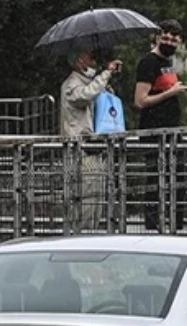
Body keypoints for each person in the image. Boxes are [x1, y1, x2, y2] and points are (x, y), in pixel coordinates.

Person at [134, 20, 187, 230]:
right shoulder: (149, 63)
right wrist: (171, 93)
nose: (169, 42)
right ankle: (153, 224)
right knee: (155, 178)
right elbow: (140, 101)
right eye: (165, 38)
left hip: (172, 130)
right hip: (154, 131)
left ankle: (176, 222)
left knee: (179, 176)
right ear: (157, 38)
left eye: (174, 39)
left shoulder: (168, 62)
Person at [60, 50, 123, 229]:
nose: (94, 61)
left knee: (96, 199)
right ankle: (82, 235)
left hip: (92, 150)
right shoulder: (71, 85)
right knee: (85, 199)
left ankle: (91, 232)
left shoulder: (89, 83)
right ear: (79, 61)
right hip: (81, 152)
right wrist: (106, 73)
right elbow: (87, 94)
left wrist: (107, 81)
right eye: (89, 57)